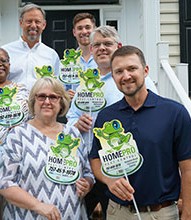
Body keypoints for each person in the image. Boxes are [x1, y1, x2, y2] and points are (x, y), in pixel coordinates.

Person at [90, 45, 191, 220]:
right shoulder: (106, 116)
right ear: (113, 77)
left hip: (161, 213)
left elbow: (190, 170)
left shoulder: (174, 112)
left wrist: (188, 216)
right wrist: (109, 180)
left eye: (132, 68)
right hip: (118, 213)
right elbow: (96, 159)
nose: (126, 76)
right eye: (119, 71)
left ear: (145, 71)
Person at [65, 25, 158, 218]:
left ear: (118, 46)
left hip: (123, 163)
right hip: (89, 167)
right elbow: (71, 116)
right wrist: (77, 122)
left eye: (107, 44)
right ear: (91, 50)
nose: (101, 48)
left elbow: (154, 114)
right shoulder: (85, 82)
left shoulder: (134, 79)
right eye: (96, 44)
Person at [0, 77, 95, 220]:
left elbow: (88, 173)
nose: (47, 101)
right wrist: (38, 206)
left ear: (61, 102)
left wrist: (86, 185)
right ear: (33, 101)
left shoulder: (73, 134)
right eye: (42, 96)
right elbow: (1, 182)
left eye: (53, 97)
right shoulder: (18, 135)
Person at [2, 3, 60, 91]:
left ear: (44, 25)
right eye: (29, 21)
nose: (33, 25)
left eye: (37, 22)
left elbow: (57, 85)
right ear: (21, 23)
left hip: (42, 103)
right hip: (12, 103)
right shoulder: (5, 52)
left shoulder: (51, 55)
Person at [65, 12, 98, 99]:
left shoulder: (103, 58)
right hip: (76, 111)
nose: (84, 31)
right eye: (80, 28)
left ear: (94, 30)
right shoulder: (68, 62)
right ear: (74, 32)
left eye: (87, 27)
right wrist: (65, 94)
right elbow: (62, 88)